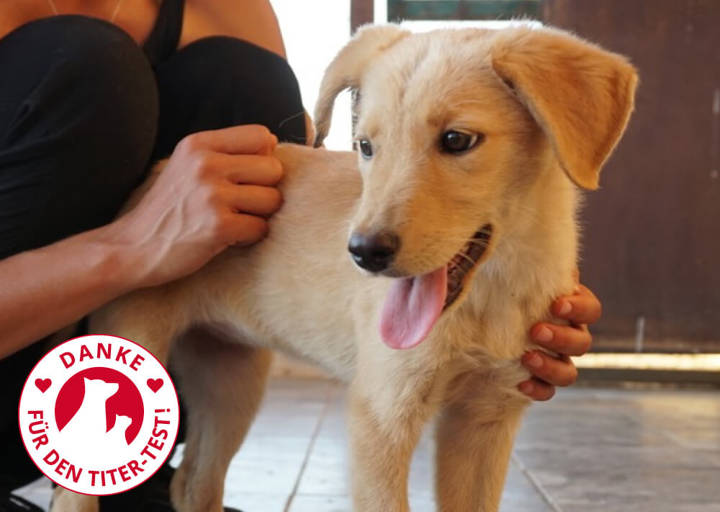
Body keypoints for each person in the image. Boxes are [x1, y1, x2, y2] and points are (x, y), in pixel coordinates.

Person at [0, 1, 602, 510]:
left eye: (455, 140)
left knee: (241, 74)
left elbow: (308, 171)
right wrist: (130, 246)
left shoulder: (230, 11)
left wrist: (521, 256)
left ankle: (144, 483)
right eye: (368, 144)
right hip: (47, 371)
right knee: (86, 65)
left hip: (148, 387)